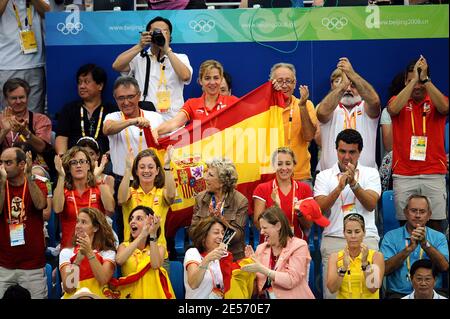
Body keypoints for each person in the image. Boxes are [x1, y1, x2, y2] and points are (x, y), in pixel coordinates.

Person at [314, 129, 381, 299]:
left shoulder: (371, 173)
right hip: (334, 238)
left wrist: (354, 184)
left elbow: (371, 204)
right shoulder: (324, 176)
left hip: (367, 239)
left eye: (352, 152)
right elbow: (320, 208)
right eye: (342, 151)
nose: (346, 157)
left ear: (359, 152)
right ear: (336, 150)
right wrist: (339, 187)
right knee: (332, 293)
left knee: (369, 291)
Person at [387, 55, 448, 232]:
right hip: (404, 173)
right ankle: (409, 259)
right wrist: (414, 80)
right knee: (405, 225)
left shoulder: (436, 101)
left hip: (433, 172)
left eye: (421, 81)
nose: (418, 85)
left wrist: (425, 79)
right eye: (411, 80)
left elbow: (445, 108)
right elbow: (393, 109)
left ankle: (435, 260)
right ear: (406, 81)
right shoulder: (397, 100)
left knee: (436, 223)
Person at [112, 16, 192, 121]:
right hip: (146, 120)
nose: (160, 34)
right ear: (148, 35)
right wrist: (140, 46)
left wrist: (167, 50)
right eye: (156, 31)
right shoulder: (139, 58)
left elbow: (185, 76)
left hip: (173, 122)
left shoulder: (180, 58)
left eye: (165, 31)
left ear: (170, 37)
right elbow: (116, 66)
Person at [316, 57, 380, 171]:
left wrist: (352, 74)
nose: (348, 89)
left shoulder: (365, 107)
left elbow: (375, 102)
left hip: (364, 176)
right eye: (346, 85)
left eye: (353, 85)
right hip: (330, 177)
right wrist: (342, 86)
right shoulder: (330, 107)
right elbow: (321, 113)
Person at [0, 147, 48, 299]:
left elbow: (41, 205)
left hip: (32, 266)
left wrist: (29, 176)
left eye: (8, 163)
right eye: (0, 162)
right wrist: (1, 184)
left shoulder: (38, 183)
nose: (2, 167)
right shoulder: (0, 185)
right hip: (4, 265)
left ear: (22, 165)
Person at [117, 146, 175, 271]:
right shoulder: (130, 192)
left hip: (158, 254)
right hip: (131, 255)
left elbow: (171, 196)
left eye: (150, 167)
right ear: (136, 171)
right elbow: (120, 199)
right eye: (142, 167)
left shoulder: (161, 193)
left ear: (157, 170)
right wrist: (128, 169)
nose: (146, 170)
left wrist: (167, 166)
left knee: (160, 291)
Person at [151, 59, 239, 141]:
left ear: (220, 80)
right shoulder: (192, 104)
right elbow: (174, 123)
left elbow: (251, 114)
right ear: (201, 81)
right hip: (201, 154)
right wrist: (157, 131)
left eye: (216, 78)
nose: (212, 82)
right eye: (207, 78)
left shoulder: (232, 101)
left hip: (225, 154)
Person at [380, 194, 449, 299]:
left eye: (422, 211)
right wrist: (408, 250)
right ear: (405, 213)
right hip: (398, 294)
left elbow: (444, 266)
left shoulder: (439, 237)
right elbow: (384, 270)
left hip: (432, 293)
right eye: (413, 211)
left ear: (429, 215)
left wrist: (426, 245)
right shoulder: (391, 237)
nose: (417, 215)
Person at [241, 206, 315, 299]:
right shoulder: (261, 248)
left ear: (278, 226)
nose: (261, 232)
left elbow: (291, 280)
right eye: (261, 228)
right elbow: (256, 289)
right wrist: (251, 266)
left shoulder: (299, 246)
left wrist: (263, 269)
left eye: (264, 228)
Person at [53, 146, 115, 249]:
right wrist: (61, 176)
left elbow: (110, 208)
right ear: (68, 168)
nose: (78, 165)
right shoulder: (63, 190)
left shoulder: (98, 187)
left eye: (82, 161)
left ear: (89, 165)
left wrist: (98, 177)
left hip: (97, 248)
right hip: (70, 249)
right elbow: (57, 208)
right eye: (73, 163)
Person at [103, 76, 164, 180]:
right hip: (122, 180)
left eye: (130, 97)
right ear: (115, 98)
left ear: (139, 95)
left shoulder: (155, 117)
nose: (126, 102)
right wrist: (132, 121)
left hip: (152, 180)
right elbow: (107, 129)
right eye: (121, 98)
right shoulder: (112, 117)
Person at [189, 157, 248, 261]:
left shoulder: (240, 201)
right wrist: (208, 222)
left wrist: (222, 221)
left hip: (232, 256)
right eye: (206, 173)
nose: (205, 177)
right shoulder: (200, 198)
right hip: (204, 255)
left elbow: (237, 236)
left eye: (210, 175)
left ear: (222, 182)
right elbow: (193, 232)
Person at [270, 63, 318, 185]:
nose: (284, 85)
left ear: (295, 83)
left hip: (300, 176)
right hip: (270, 178)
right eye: (280, 81)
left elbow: (309, 137)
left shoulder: (306, 105)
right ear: (271, 82)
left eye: (289, 81)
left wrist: (302, 106)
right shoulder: (264, 108)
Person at [253, 147, 314, 241]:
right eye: (279, 164)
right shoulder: (262, 189)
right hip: (270, 246)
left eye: (288, 163)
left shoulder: (304, 188)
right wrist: (275, 207)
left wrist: (300, 213)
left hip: (297, 246)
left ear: (294, 165)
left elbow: (309, 224)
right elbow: (258, 224)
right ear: (273, 166)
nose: (284, 168)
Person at [55, 64, 117, 156]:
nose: (82, 86)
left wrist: (108, 157)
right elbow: (61, 137)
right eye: (79, 82)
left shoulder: (112, 110)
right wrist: (64, 159)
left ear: (100, 85)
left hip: (105, 161)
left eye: (86, 82)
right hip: (75, 161)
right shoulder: (69, 109)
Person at [0, 0, 50, 114]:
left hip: (34, 63)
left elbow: (48, 13)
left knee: (34, 116)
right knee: (7, 116)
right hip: (7, 65)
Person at [115, 205, 175, 299]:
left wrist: (152, 233)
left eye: (139, 218)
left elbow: (155, 265)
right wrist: (142, 235)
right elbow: (119, 260)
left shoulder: (159, 248)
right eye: (131, 218)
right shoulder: (124, 246)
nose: (132, 221)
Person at [59, 207, 116, 299]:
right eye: (77, 221)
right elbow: (69, 288)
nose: (78, 226)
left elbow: (103, 280)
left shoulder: (108, 253)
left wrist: (89, 253)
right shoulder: (66, 253)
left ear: (96, 228)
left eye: (83, 222)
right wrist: (77, 261)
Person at [327, 213, 384, 299]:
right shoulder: (335, 257)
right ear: (344, 233)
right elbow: (331, 289)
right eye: (349, 232)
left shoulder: (376, 256)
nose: (353, 236)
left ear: (364, 233)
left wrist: (365, 264)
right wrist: (344, 268)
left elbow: (373, 288)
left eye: (357, 232)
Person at [0, 78, 52, 156]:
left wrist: (25, 132)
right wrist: (4, 131)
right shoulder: (1, 119)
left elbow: (42, 148)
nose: (18, 102)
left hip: (33, 164)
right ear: (6, 99)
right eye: (13, 98)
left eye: (21, 97)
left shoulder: (41, 120)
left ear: (27, 97)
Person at [184, 216, 229, 299]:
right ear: (203, 236)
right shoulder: (193, 253)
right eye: (216, 232)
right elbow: (193, 284)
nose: (221, 237)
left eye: (223, 233)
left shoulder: (222, 257)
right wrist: (207, 259)